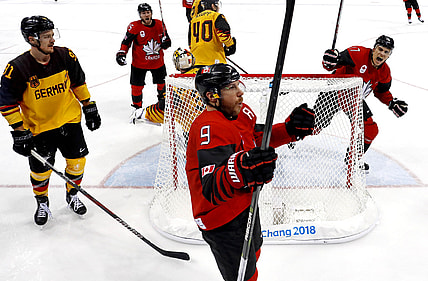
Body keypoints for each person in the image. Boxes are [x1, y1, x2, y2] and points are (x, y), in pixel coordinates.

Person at [185, 64, 315, 281]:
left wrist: (289, 130)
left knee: (255, 252)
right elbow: (210, 187)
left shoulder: (240, 114)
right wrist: (240, 168)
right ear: (212, 96)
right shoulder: (208, 127)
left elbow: (254, 138)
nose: (240, 92)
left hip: (246, 204)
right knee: (244, 277)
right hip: (222, 220)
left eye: (238, 84)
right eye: (231, 87)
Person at [0, 16, 101, 226]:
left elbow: (78, 82)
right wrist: (19, 131)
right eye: (46, 36)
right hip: (39, 129)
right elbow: (7, 103)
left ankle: (72, 194)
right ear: (32, 39)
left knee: (77, 163)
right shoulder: (17, 68)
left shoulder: (65, 55)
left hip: (69, 120)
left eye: (52, 35)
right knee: (40, 171)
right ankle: (42, 201)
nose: (52, 40)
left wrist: (88, 106)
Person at [319, 35, 408, 172]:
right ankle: (292, 135)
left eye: (386, 52)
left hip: (353, 99)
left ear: (389, 55)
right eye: (380, 49)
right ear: (374, 48)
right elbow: (334, 63)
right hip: (334, 91)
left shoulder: (385, 72)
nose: (382, 54)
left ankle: (352, 158)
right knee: (315, 125)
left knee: (370, 129)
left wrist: (391, 103)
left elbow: (381, 91)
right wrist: (330, 60)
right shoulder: (358, 54)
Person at [116, 3, 172, 124]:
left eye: (147, 12)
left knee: (162, 85)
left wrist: (166, 42)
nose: (146, 15)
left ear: (151, 13)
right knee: (136, 87)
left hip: (157, 63)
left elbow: (167, 42)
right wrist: (121, 53)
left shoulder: (159, 24)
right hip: (139, 64)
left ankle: (162, 107)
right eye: (143, 13)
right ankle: (137, 109)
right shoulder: (134, 27)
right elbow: (126, 42)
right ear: (140, 15)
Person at [188, 0, 236, 68]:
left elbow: (190, 44)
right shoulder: (217, 16)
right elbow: (224, 35)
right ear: (212, 6)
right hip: (215, 62)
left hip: (196, 62)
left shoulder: (193, 20)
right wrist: (231, 45)